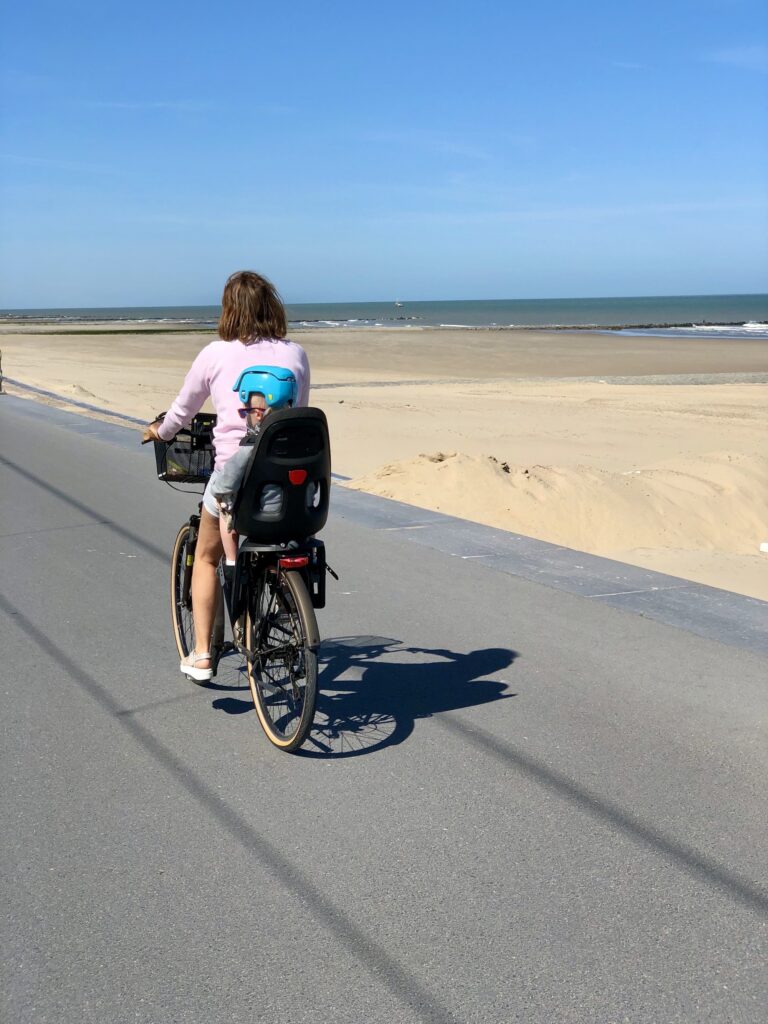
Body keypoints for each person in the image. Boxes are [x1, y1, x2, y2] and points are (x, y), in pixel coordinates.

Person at [143, 271, 309, 682]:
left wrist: (158, 431)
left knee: (206, 556)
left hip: (232, 480)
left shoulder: (214, 354)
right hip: (284, 479)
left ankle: (201, 655)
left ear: (229, 310)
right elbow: (296, 413)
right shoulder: (297, 354)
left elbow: (181, 413)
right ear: (272, 307)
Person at [212, 365, 298, 563]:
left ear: (258, 414)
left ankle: (232, 562)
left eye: (246, 412)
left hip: (262, 517)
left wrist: (218, 491)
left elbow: (230, 477)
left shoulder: (255, 444)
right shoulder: (300, 441)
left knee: (225, 509)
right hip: (300, 517)